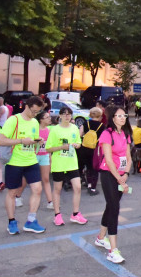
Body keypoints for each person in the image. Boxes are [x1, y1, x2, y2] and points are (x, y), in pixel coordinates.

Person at [0, 96, 47, 235]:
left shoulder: (34, 122)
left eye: (37, 112)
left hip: (31, 160)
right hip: (14, 162)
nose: (35, 114)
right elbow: (1, 141)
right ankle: (12, 222)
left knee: (37, 189)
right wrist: (21, 141)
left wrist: (37, 141)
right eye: (33, 111)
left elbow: (33, 139)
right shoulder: (14, 120)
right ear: (27, 106)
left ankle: (31, 221)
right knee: (12, 192)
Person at [94, 105, 132, 264]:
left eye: (124, 115)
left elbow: (128, 157)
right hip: (108, 174)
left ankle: (100, 237)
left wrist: (126, 174)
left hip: (121, 175)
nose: (123, 118)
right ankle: (113, 250)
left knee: (111, 206)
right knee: (114, 208)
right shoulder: (106, 134)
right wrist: (118, 177)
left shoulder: (125, 134)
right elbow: (108, 160)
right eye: (119, 116)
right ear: (112, 118)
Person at [46, 106, 87, 227]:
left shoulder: (74, 128)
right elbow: (48, 148)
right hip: (59, 163)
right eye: (64, 114)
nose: (67, 116)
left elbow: (79, 143)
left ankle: (75, 213)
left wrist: (76, 145)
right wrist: (60, 147)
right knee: (58, 189)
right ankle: (57, 215)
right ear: (60, 116)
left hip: (72, 163)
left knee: (77, 187)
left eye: (69, 114)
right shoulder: (54, 130)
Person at [79, 107, 105, 195]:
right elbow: (103, 140)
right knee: (94, 169)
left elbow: (80, 134)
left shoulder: (85, 123)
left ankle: (89, 184)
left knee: (87, 167)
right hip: (95, 150)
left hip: (84, 148)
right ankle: (93, 188)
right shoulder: (102, 126)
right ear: (100, 115)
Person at [35, 111, 54, 208]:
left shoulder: (49, 130)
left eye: (49, 117)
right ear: (41, 119)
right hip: (34, 156)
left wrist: (50, 158)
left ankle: (50, 201)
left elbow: (49, 146)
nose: (49, 119)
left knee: (46, 179)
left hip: (45, 155)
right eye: (47, 117)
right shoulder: (34, 129)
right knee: (27, 179)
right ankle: (18, 196)